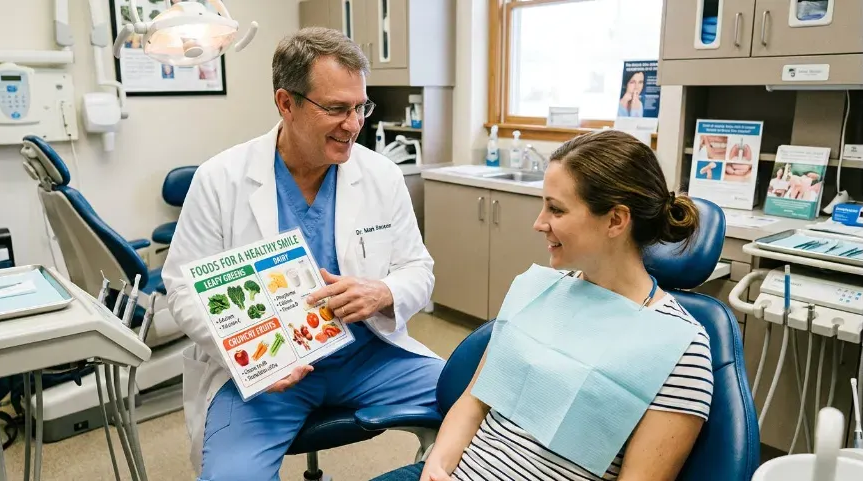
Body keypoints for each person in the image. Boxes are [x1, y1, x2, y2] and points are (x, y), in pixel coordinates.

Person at [161, 27, 444, 480]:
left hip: (369, 355)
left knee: (478, 405)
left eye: (360, 107)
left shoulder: (382, 176)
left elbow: (418, 270)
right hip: (267, 369)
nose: (353, 125)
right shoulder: (221, 179)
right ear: (286, 103)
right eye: (336, 109)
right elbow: (182, 289)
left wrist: (383, 291)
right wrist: (247, 355)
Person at [373, 130, 713, 481]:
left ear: (615, 220)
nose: (539, 223)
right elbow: (475, 401)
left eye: (557, 209)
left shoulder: (679, 348)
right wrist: (436, 466)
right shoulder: (537, 292)